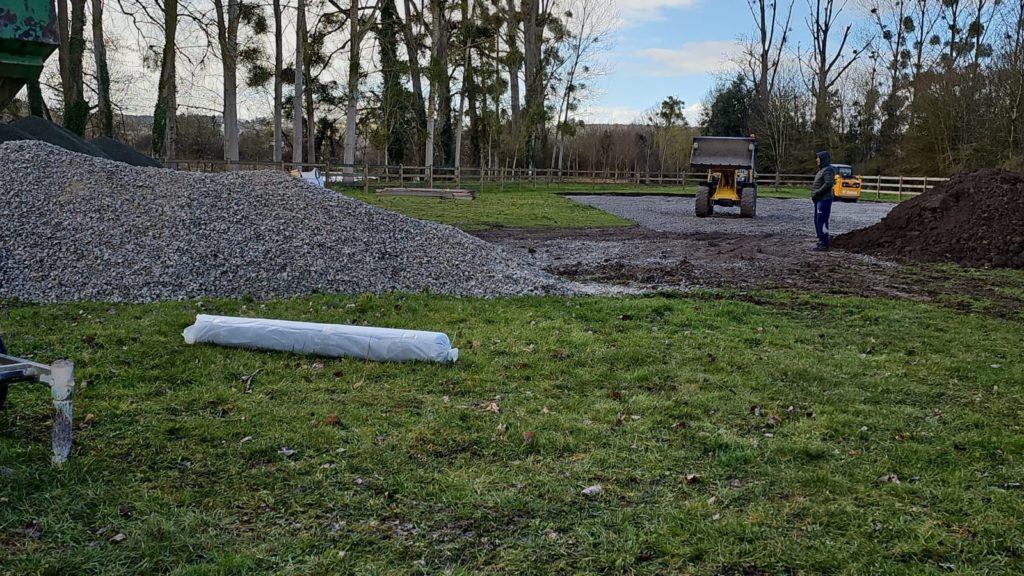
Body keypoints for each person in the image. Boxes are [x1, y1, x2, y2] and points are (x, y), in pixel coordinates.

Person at [810, 150, 835, 251]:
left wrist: (817, 193)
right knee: (817, 221)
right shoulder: (822, 170)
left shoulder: (828, 170)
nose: (816, 160)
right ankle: (821, 240)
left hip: (824, 200)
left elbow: (828, 184)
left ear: (823, 159)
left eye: (818, 158)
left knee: (822, 221)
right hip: (819, 200)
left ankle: (824, 243)